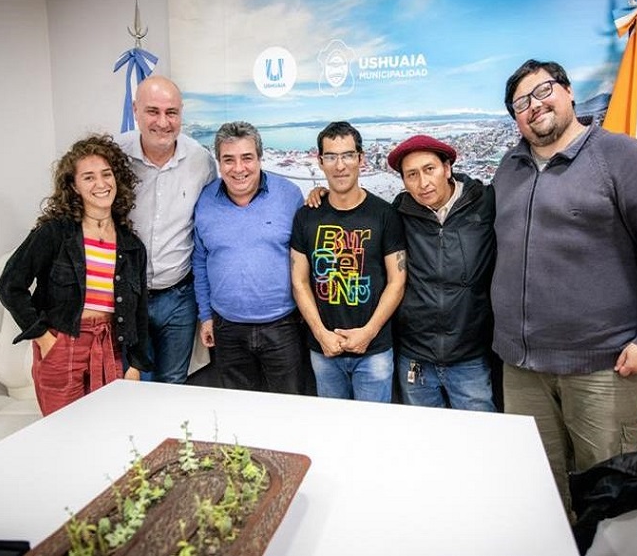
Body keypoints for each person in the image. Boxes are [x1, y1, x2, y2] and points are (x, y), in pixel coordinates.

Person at [493, 59, 637, 515]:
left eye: (543, 91)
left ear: (567, 92)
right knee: (537, 491)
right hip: (522, 367)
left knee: (612, 491)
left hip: (603, 368)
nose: (534, 106)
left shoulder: (623, 157)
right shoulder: (509, 168)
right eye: (520, 103)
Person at [0, 134, 150, 415]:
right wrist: (44, 338)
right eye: (89, 177)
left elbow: (139, 312)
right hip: (62, 345)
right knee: (63, 435)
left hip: (111, 348)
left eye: (107, 174)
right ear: (74, 186)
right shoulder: (54, 233)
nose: (101, 184)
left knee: (107, 429)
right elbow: (9, 285)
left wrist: (137, 365)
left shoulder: (132, 246)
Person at [290, 121, 406, 403]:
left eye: (347, 155)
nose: (339, 165)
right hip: (324, 349)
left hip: (374, 350)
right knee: (331, 431)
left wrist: (369, 332)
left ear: (361, 159)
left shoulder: (384, 214)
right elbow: (299, 281)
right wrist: (320, 334)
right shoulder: (306, 216)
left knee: (372, 432)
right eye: (330, 156)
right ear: (320, 161)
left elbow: (397, 280)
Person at [192, 121, 306, 393]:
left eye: (247, 158)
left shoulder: (289, 195)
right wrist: (206, 315)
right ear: (218, 162)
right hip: (227, 328)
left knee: (288, 407)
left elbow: (306, 257)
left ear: (259, 158)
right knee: (237, 412)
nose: (239, 168)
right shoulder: (205, 200)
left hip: (283, 326)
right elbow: (199, 260)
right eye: (228, 160)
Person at [118, 75, 217, 384]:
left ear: (181, 113)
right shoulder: (113, 156)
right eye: (153, 111)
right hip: (127, 298)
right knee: (130, 386)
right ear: (135, 110)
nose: (163, 122)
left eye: (171, 112)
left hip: (179, 298)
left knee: (174, 384)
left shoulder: (200, 160)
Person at [387, 135, 498, 412]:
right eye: (411, 175)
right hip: (416, 355)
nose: (422, 183)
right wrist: (325, 195)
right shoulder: (398, 214)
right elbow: (360, 215)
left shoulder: (484, 203)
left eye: (429, 169)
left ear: (447, 168)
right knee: (423, 441)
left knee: (479, 438)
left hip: (469, 354)